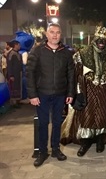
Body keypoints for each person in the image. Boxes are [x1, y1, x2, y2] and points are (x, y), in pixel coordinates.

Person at [60, 26, 106, 157]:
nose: (101, 43)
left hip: (104, 89)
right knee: (87, 116)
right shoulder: (82, 53)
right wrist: (77, 90)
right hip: (88, 88)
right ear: (94, 40)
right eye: (99, 40)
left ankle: (100, 140)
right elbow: (74, 72)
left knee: (102, 115)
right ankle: (85, 142)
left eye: (104, 41)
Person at [26, 23, 75, 167]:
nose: (55, 35)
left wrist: (70, 93)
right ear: (46, 34)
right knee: (42, 124)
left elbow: (71, 74)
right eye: (52, 32)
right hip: (42, 94)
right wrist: (32, 95)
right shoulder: (37, 51)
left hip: (60, 94)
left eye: (58, 32)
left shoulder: (66, 52)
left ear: (61, 34)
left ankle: (55, 149)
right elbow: (30, 74)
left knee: (57, 123)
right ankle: (42, 152)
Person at [6, 40, 22, 106]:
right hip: (13, 75)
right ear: (15, 45)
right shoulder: (11, 54)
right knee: (13, 88)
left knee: (17, 87)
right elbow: (9, 65)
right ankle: (13, 103)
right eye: (19, 45)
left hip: (18, 74)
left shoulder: (18, 53)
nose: (20, 46)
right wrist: (11, 75)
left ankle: (18, 101)